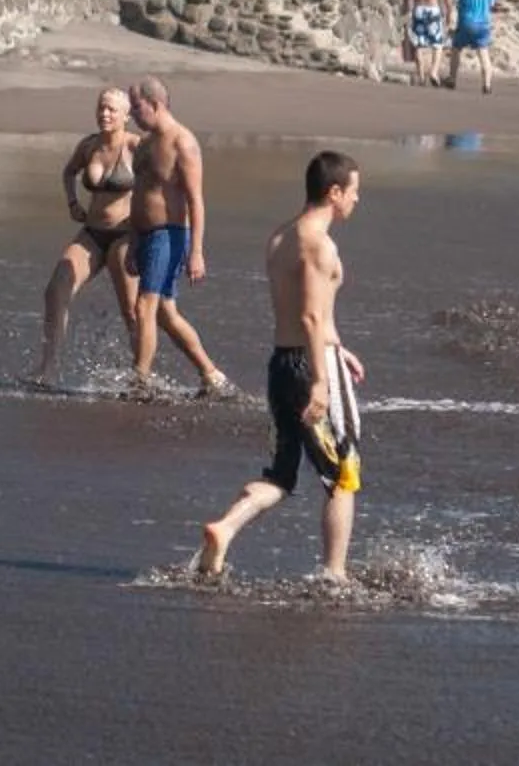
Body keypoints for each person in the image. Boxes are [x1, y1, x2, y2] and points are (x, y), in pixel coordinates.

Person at [194, 150, 365, 585]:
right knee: (343, 473)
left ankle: (226, 527)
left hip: (282, 364)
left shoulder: (280, 236)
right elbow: (310, 315)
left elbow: (312, 311)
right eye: (354, 192)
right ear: (334, 192)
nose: (356, 201)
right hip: (312, 365)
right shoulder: (318, 244)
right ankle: (335, 574)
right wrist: (324, 382)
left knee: (283, 473)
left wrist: (338, 347)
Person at [126, 77, 234, 396]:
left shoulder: (182, 142)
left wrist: (196, 251)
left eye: (136, 107)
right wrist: (133, 241)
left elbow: (195, 199)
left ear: (155, 105)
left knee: (144, 307)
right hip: (145, 236)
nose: (132, 114)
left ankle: (140, 380)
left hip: (169, 235)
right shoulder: (144, 144)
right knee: (166, 314)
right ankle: (211, 374)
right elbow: (139, 194)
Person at [31, 87, 144, 388]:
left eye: (111, 110)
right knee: (55, 290)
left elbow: (161, 184)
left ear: (126, 116)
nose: (104, 114)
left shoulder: (137, 147)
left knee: (131, 310)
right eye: (101, 108)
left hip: (124, 236)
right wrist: (72, 203)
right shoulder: (89, 146)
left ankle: (140, 376)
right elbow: (68, 172)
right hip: (92, 234)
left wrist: (147, 221)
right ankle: (48, 369)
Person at [444, 0, 497, 94]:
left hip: (467, 21)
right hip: (483, 23)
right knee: (483, 53)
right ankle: (487, 84)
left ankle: (452, 78)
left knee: (456, 49)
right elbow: (492, 4)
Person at [401, 0, 446, 86]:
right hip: (433, 9)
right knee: (437, 44)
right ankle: (433, 71)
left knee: (419, 44)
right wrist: (450, 11)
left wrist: (406, 8)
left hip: (419, 9)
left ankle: (421, 76)